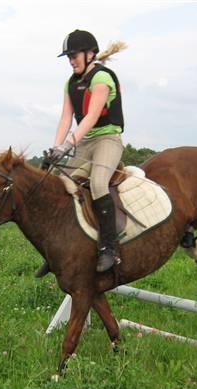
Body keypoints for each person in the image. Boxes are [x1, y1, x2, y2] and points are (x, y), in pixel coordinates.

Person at [38, 29, 126, 276]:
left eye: (74, 55)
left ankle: (110, 248)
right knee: (60, 184)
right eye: (69, 57)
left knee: (98, 184)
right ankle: (61, 250)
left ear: (90, 54)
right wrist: (56, 147)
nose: (71, 60)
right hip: (85, 142)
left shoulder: (101, 79)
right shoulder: (71, 82)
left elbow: (91, 117)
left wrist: (68, 145)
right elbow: (66, 117)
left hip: (107, 139)